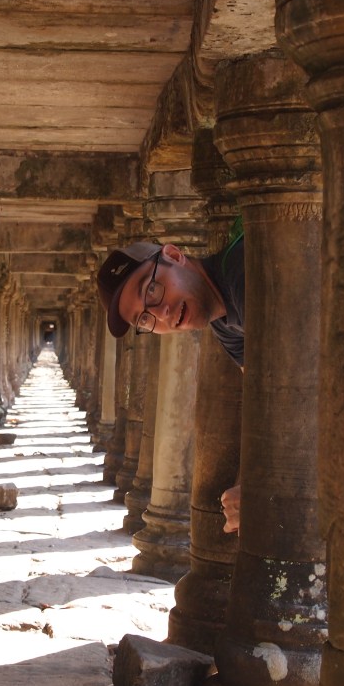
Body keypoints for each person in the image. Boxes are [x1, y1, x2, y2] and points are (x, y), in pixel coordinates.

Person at [95, 224, 244, 534]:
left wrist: (256, 484)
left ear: (174, 255)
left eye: (151, 289)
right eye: (144, 319)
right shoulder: (225, 325)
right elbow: (267, 398)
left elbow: (299, 393)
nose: (161, 313)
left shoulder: (241, 275)